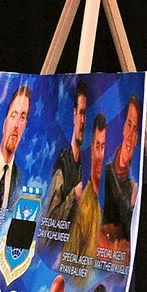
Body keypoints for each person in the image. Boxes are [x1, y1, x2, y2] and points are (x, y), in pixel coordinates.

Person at [61, 114, 107, 270]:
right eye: (97, 146)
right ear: (91, 148)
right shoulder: (80, 198)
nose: (100, 155)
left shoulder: (112, 199)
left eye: (103, 147)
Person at [99, 95, 141, 257]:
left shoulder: (136, 184)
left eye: (135, 128)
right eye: (129, 124)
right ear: (123, 128)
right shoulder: (102, 170)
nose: (130, 134)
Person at [43, 81, 90, 220]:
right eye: (81, 113)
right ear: (74, 114)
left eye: (87, 114)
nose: (83, 121)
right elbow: (48, 224)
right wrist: (74, 195)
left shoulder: (86, 165)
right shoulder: (62, 164)